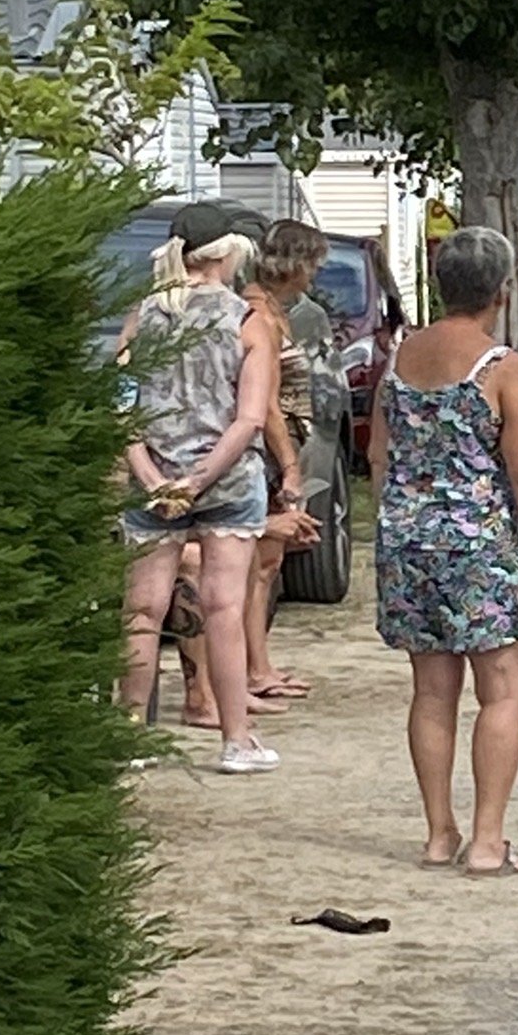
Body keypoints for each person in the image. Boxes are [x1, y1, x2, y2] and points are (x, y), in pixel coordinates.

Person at [370, 225, 518, 877]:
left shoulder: (396, 359)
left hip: (408, 541)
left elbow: (378, 459)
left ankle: (436, 833)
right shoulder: (502, 368)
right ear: (501, 290)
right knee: (502, 690)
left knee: (431, 691)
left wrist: (402, 523)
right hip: (480, 542)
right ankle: (487, 841)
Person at [117, 228, 280, 773]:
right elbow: (251, 416)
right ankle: (236, 740)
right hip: (228, 480)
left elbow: (122, 407)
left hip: (153, 477)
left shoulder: (143, 317)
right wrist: (201, 477)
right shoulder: (247, 321)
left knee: (143, 609)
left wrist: (152, 475)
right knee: (223, 608)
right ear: (226, 255)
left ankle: (130, 734)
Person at [241, 220, 331, 707]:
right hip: (272, 451)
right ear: (294, 265)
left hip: (281, 445)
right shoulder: (262, 315)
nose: (314, 275)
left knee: (269, 564)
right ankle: (251, 669)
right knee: (258, 563)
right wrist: (290, 465)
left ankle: (259, 663)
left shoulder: (277, 311)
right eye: (312, 265)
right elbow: (268, 401)